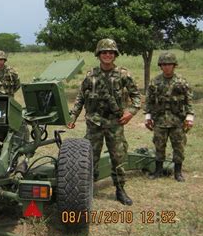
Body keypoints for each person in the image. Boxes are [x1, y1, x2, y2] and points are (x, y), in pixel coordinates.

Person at [67, 38, 141, 206]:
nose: (107, 55)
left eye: (111, 52)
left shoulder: (123, 74)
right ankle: (87, 188)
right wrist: (73, 117)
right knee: (89, 157)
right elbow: (80, 97)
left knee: (118, 157)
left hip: (115, 123)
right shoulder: (90, 75)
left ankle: (120, 190)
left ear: (115, 55)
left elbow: (136, 96)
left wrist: (131, 112)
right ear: (98, 54)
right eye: (104, 52)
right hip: (94, 123)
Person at [145, 52, 194, 182]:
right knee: (159, 145)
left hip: (177, 120)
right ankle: (158, 171)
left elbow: (189, 100)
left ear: (174, 65)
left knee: (179, 146)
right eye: (164, 64)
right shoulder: (155, 82)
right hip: (160, 120)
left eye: (169, 64)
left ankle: (178, 172)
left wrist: (189, 117)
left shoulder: (181, 82)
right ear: (160, 66)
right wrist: (148, 117)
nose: (167, 67)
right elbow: (149, 101)